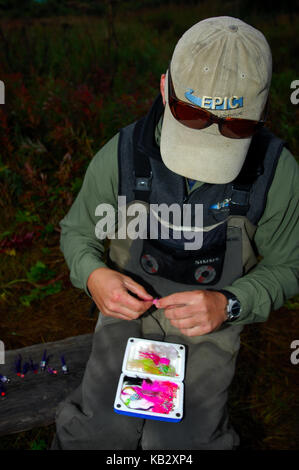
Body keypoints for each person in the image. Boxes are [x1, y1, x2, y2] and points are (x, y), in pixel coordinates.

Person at [52, 16, 299, 450]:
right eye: (190, 116)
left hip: (210, 329)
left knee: (181, 443)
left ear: (263, 112)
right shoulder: (123, 153)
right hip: (126, 318)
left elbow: (289, 263)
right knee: (98, 435)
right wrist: (94, 275)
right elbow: (77, 232)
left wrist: (231, 303)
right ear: (165, 88)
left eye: (236, 126)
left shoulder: (278, 173)